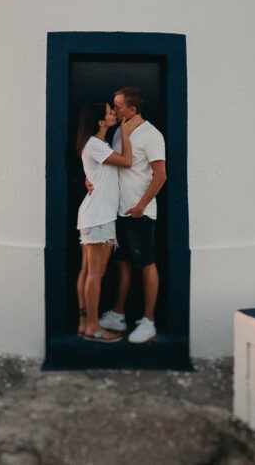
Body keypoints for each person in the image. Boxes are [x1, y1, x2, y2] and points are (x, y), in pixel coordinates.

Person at [99, 86, 167, 344]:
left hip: (140, 213)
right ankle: (118, 314)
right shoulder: (119, 132)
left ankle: (148, 321)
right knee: (122, 264)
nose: (114, 109)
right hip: (119, 211)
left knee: (147, 265)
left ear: (132, 109)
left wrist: (140, 206)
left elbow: (160, 176)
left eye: (117, 106)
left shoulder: (151, 135)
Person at [75, 102, 140, 342]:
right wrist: (124, 131)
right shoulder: (95, 144)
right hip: (99, 217)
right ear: (101, 121)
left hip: (95, 215)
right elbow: (126, 162)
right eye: (110, 112)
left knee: (87, 271)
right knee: (96, 274)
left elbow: (99, 175)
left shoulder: (97, 145)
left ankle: (84, 323)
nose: (114, 113)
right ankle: (93, 327)